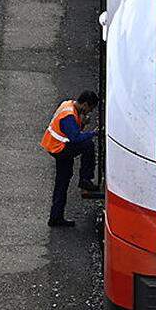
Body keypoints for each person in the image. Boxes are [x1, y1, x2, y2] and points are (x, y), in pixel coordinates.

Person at [40, 90, 100, 227]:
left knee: (63, 181)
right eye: (90, 108)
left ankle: (56, 217)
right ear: (85, 104)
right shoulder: (69, 116)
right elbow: (75, 138)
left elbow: (74, 131)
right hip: (60, 149)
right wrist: (93, 133)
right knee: (88, 145)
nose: (89, 111)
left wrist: (83, 123)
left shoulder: (68, 105)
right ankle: (85, 179)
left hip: (58, 146)